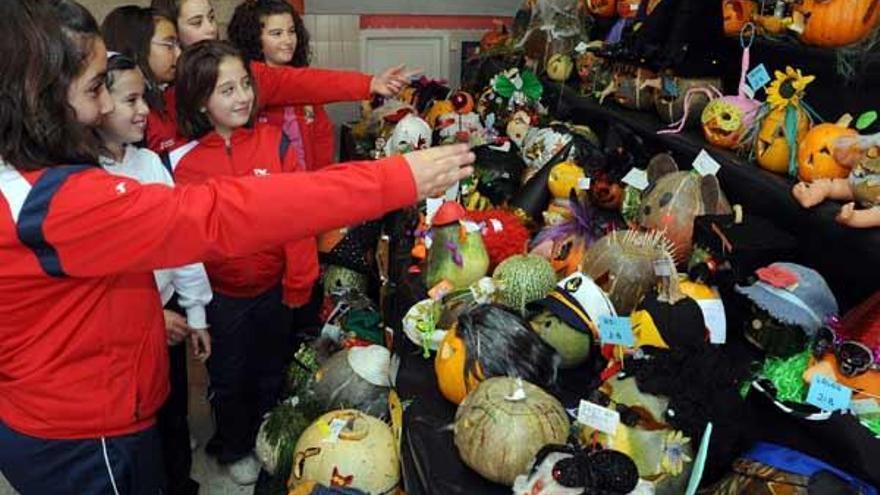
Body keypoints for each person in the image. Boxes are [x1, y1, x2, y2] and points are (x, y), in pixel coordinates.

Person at [0, 1, 474, 493]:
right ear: (40, 96)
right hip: (83, 435)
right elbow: (226, 212)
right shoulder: (49, 204)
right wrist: (393, 179)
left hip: (101, 412)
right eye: (96, 88)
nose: (105, 107)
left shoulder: (40, 180)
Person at [97, 52, 211, 495]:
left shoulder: (147, 166)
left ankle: (180, 482)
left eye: (144, 97)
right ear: (94, 103)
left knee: (171, 412)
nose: (145, 110)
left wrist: (196, 312)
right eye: (131, 100)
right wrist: (147, 317)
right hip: (121, 329)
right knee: (133, 430)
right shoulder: (79, 178)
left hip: (168, 311)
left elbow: (181, 244)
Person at [142, 0, 416, 153]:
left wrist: (369, 83)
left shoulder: (236, 68)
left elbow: (299, 82)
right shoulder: (149, 101)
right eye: (196, 22)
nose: (211, 30)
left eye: (212, 18)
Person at [228, 0, 334, 173]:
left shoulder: (304, 84)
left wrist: (321, 181)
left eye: (291, 31)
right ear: (255, 39)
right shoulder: (247, 88)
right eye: (277, 34)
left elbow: (322, 138)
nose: (288, 40)